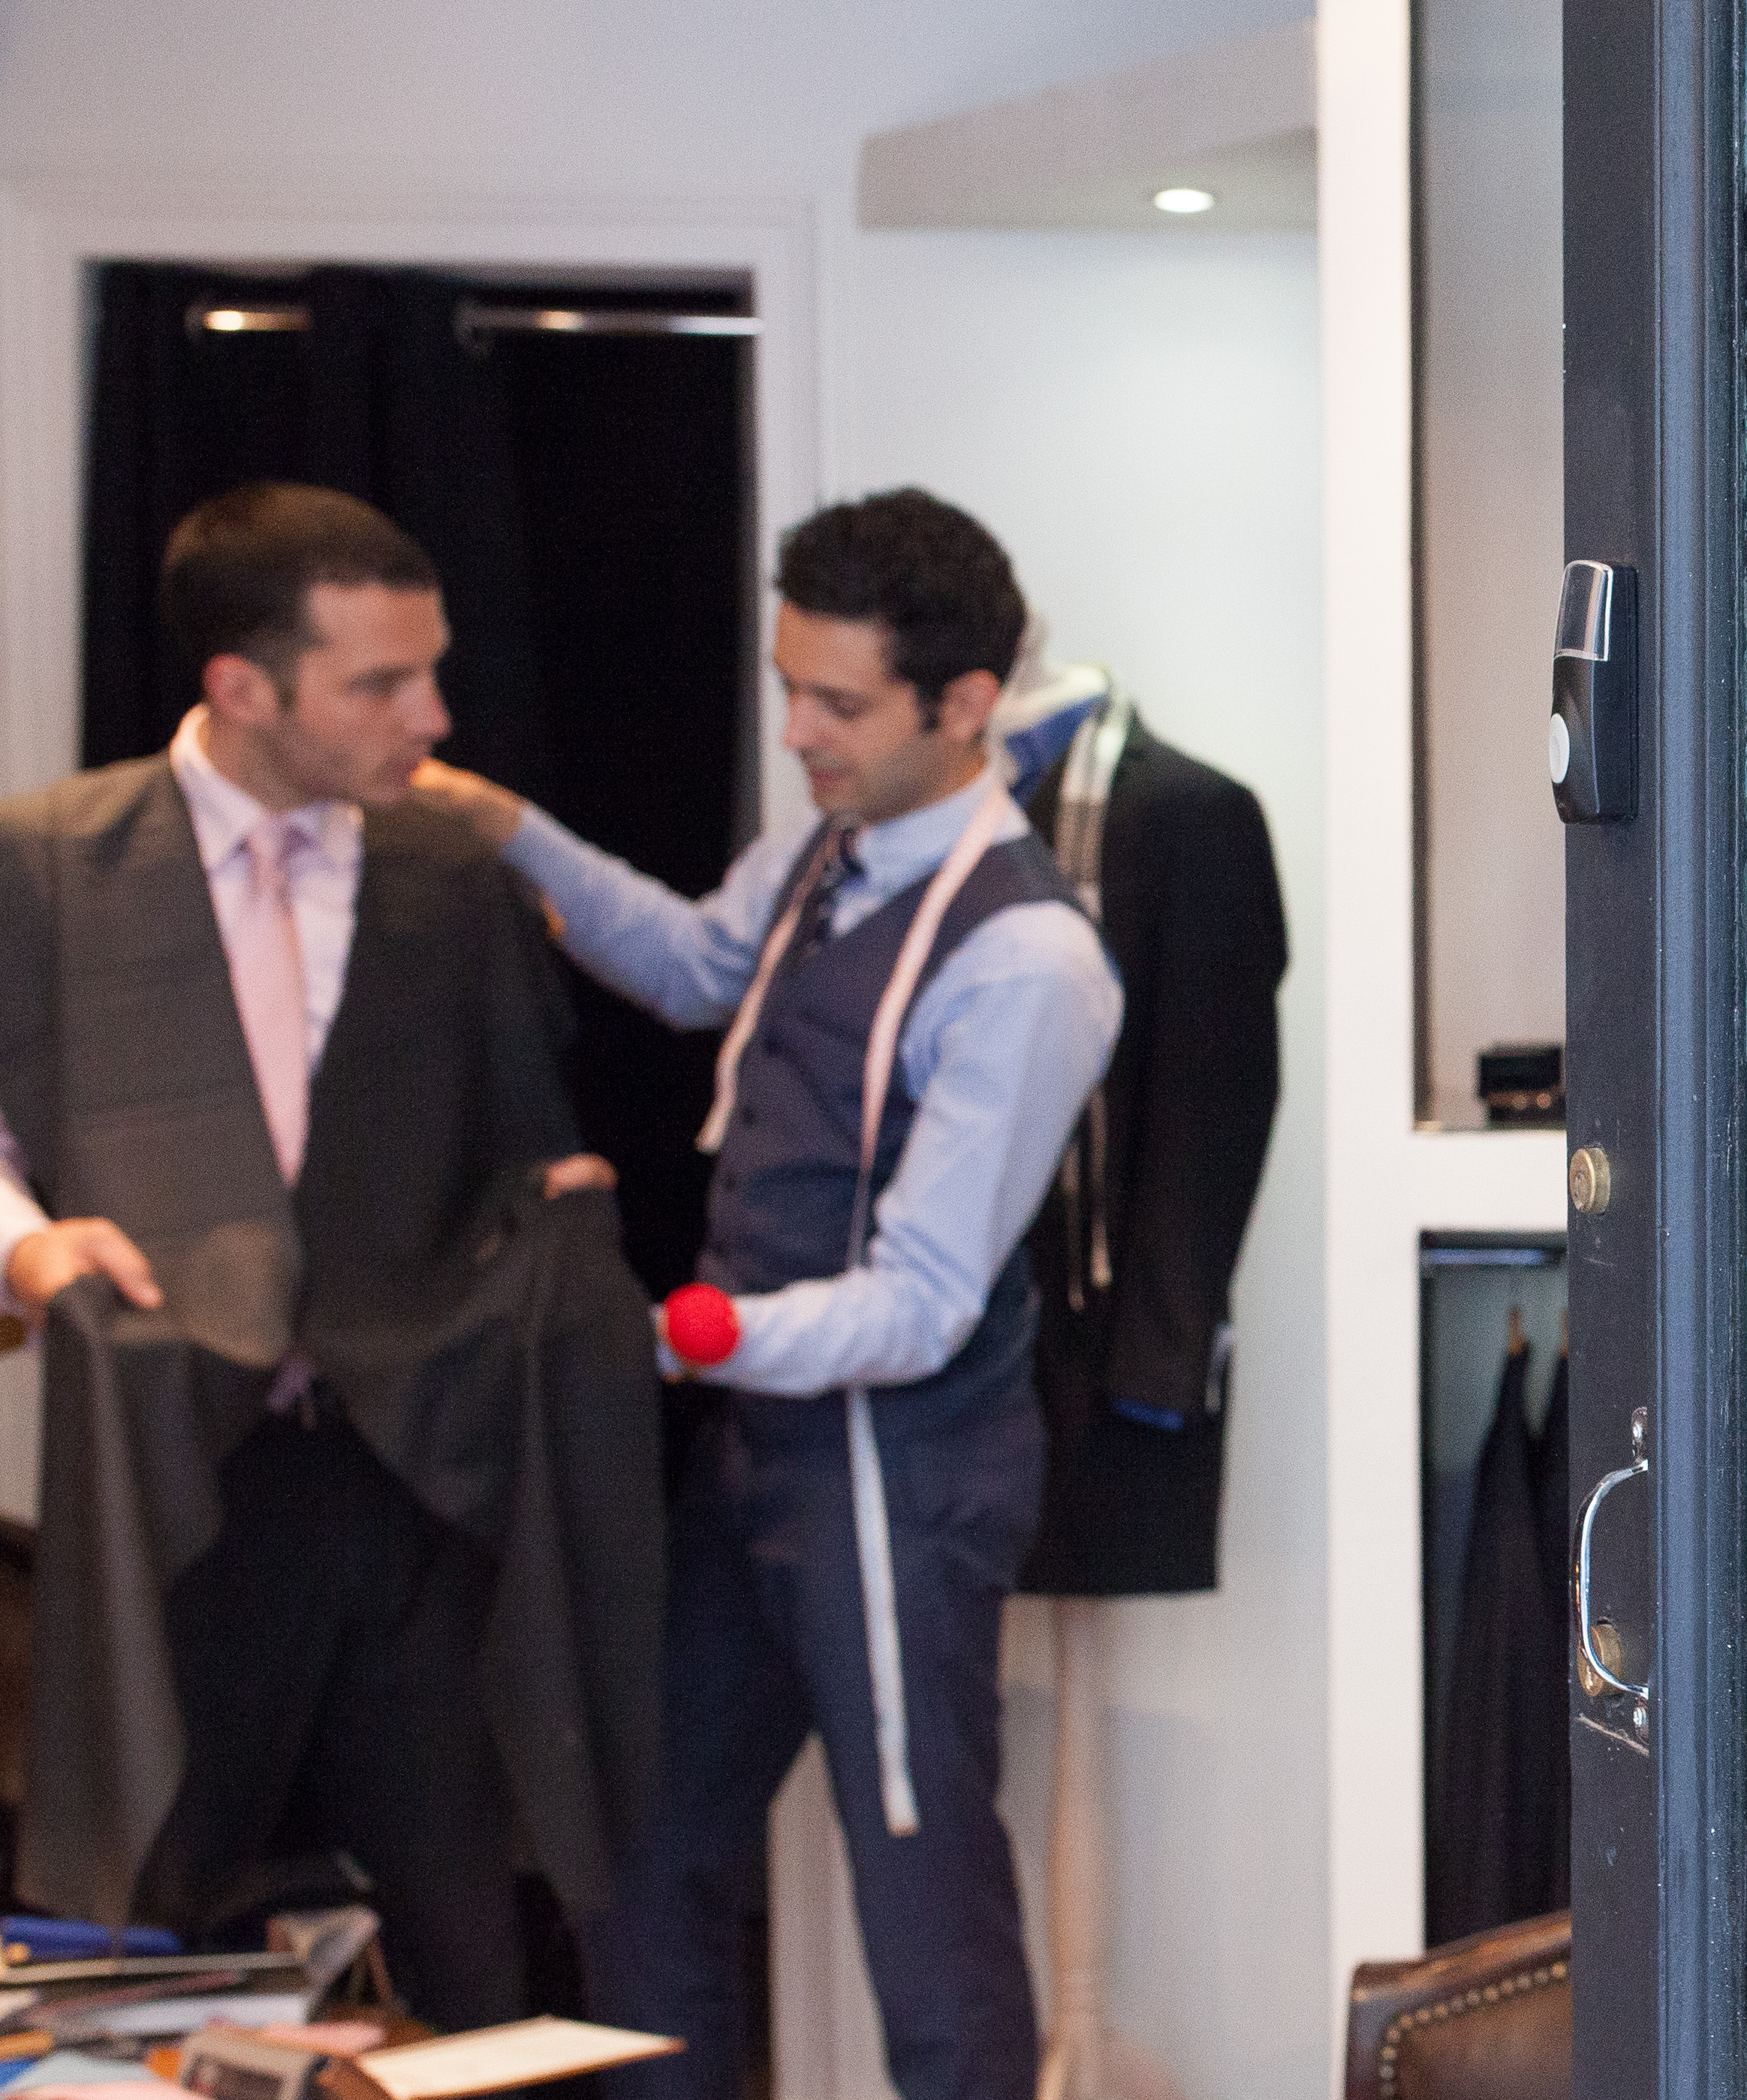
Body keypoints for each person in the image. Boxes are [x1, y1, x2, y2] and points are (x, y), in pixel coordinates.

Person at [0, 482, 663, 2026]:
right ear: (242, 685)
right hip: (178, 1479)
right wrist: (29, 1250)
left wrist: (543, 1212)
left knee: (471, 1931)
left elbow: (508, 1141)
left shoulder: (449, 872)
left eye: (433, 671)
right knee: (133, 1927)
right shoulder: (37, 869)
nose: (432, 718)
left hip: (418, 1478)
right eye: (381, 683)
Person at [415, 488, 1122, 2100]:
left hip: (897, 1476)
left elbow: (923, 1300)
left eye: (839, 704)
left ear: (964, 704)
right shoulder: (831, 844)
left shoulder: (1028, 961)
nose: (798, 732)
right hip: (753, 1457)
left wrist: (683, 1337)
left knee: (926, 1916)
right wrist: (507, 826)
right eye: (788, 687)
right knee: (645, 1858)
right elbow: (692, 964)